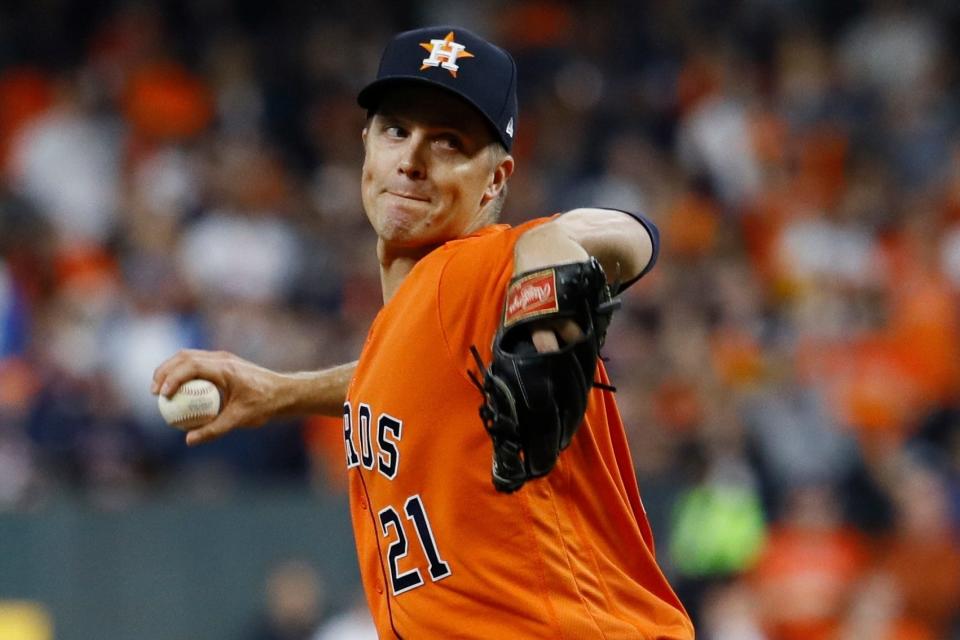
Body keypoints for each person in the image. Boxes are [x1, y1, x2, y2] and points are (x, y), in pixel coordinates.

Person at [153, 26, 693, 639]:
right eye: (396, 130)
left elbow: (623, 235)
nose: (411, 159)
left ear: (494, 180)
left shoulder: (471, 270)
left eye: (448, 141)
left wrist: (552, 253)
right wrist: (281, 392)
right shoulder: (420, 325)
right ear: (366, 146)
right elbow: (406, 380)